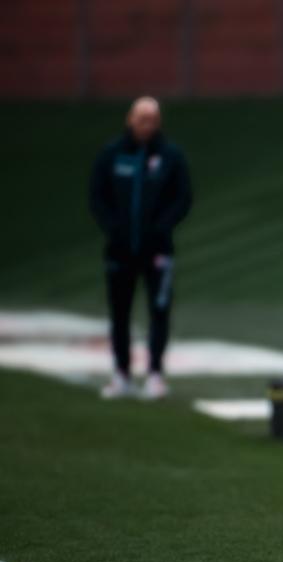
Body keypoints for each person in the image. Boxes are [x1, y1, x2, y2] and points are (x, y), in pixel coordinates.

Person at [89, 97, 192, 398]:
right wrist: (113, 228)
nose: (147, 125)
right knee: (119, 313)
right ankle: (121, 374)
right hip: (119, 250)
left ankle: (155, 374)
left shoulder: (170, 157)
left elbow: (183, 198)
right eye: (142, 118)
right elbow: (97, 196)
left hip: (158, 250)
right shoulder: (113, 155)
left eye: (153, 119)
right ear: (130, 120)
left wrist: (161, 227)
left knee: (159, 311)